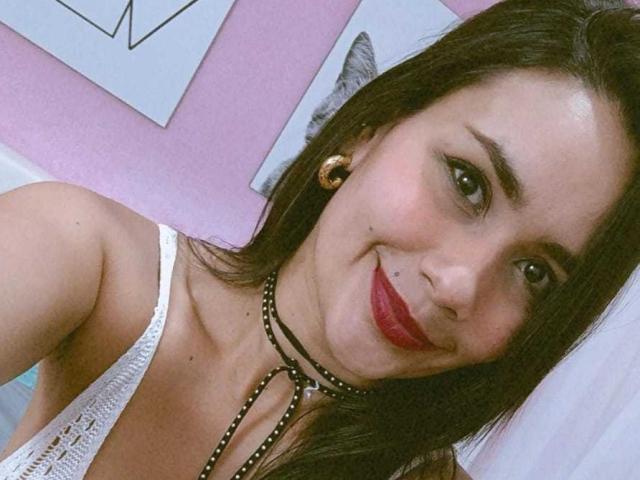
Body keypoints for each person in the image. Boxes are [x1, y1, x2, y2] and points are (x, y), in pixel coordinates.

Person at [1, 0, 639, 478]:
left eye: (535, 274)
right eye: (468, 182)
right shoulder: (87, 259)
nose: (459, 285)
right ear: (367, 131)